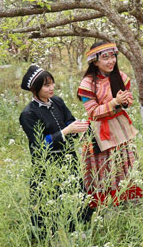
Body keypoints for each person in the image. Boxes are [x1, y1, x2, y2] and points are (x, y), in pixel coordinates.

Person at [19, 65, 92, 236]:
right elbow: (40, 145)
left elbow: (69, 120)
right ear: (34, 89)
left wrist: (80, 127)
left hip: (68, 158)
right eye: (46, 85)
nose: (51, 88)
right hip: (47, 164)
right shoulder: (28, 114)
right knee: (51, 198)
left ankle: (77, 232)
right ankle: (52, 238)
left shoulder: (57, 101)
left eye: (52, 83)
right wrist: (67, 131)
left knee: (75, 194)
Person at [77, 41, 143, 207]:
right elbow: (92, 112)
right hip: (101, 132)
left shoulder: (120, 77)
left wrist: (126, 102)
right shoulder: (87, 84)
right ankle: (107, 208)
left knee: (126, 165)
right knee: (104, 169)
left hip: (121, 129)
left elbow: (125, 103)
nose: (111, 61)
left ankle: (129, 203)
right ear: (95, 61)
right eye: (105, 58)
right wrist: (114, 103)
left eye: (112, 56)